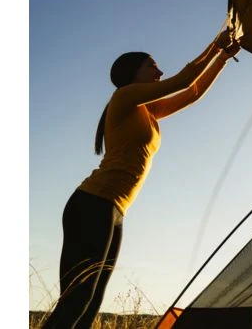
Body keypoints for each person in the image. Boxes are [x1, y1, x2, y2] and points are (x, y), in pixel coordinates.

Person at [42, 29, 241, 329]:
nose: (159, 71)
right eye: (152, 65)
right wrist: (215, 45)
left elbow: (193, 92)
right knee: (76, 301)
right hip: (93, 204)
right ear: (132, 72)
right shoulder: (124, 97)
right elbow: (183, 80)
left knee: (91, 304)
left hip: (115, 211)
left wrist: (223, 58)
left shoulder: (146, 111)